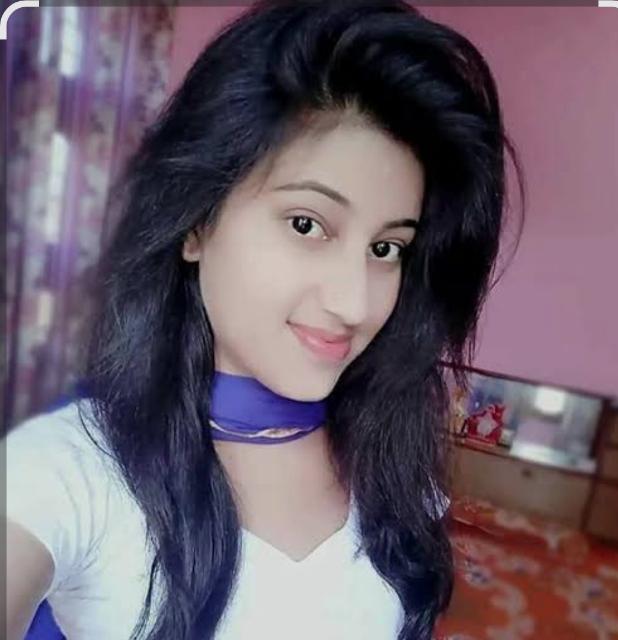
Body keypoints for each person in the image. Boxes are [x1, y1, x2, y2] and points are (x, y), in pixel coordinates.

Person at [4, 0, 524, 638]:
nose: (355, 303)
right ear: (196, 222)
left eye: (387, 248)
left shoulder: (392, 466)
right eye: (307, 224)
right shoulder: (71, 468)